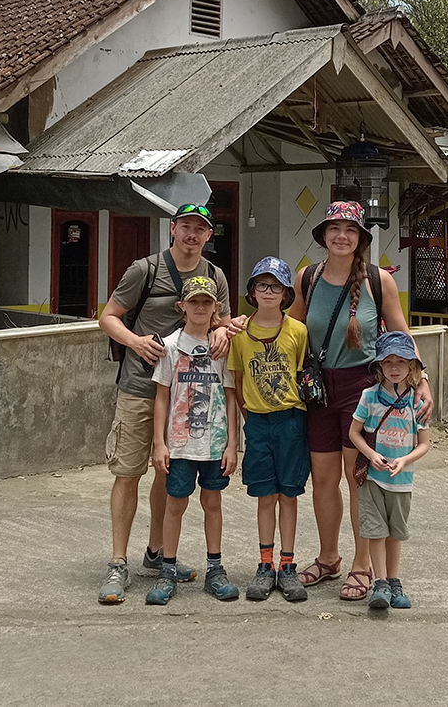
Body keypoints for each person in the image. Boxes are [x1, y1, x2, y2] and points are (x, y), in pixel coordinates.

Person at [96, 202, 244, 605]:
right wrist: (135, 341)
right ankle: (117, 562)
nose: (192, 234)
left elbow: (223, 322)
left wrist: (224, 332)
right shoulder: (145, 270)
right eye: (186, 227)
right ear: (172, 229)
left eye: (201, 228)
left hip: (190, 397)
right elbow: (108, 316)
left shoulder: (215, 277)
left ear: (209, 235)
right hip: (141, 387)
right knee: (128, 472)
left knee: (167, 474)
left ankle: (158, 553)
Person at [289, 200, 433, 602]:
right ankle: (328, 556)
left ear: (360, 239)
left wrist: (423, 381)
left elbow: (401, 334)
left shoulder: (377, 280)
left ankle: (362, 564)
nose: (341, 236)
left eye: (349, 230)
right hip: (318, 388)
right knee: (323, 479)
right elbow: (290, 328)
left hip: (361, 387)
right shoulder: (308, 278)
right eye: (334, 229)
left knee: (359, 481)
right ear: (323, 236)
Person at [145, 275, 240, 605]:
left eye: (207, 302)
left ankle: (215, 568)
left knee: (213, 503)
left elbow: (231, 397)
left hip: (214, 444)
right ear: (181, 306)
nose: (200, 307)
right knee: (175, 504)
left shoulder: (222, 348)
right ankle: (167, 570)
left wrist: (232, 443)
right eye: (194, 302)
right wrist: (159, 442)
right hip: (180, 444)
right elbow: (161, 396)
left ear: (217, 308)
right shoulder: (170, 346)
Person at [227, 257, 311, 603]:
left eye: (275, 286)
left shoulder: (297, 331)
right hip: (258, 423)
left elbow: (303, 374)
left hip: (291, 420)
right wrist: (245, 424)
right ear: (252, 291)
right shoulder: (240, 335)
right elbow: (236, 383)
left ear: (286, 293)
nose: (268, 292)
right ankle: (265, 564)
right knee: (265, 495)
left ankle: (287, 565)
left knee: (289, 494)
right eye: (261, 285)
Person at [349, 331, 431, 611]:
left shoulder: (416, 403)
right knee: (374, 531)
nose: (394, 368)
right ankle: (380, 582)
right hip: (372, 478)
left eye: (401, 362)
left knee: (396, 532)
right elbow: (354, 433)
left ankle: (394, 580)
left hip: (402, 479)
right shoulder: (369, 396)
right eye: (388, 362)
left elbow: (424, 444)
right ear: (379, 366)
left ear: (412, 367)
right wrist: (371, 455)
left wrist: (405, 461)